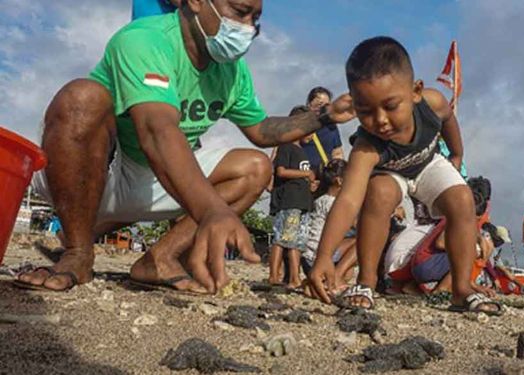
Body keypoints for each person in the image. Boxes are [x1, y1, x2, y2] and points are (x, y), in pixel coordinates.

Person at [17, 0, 354, 293]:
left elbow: (262, 129)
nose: (248, 28)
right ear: (195, 1)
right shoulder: (144, 40)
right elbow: (156, 130)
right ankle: (78, 252)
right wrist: (212, 211)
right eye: (239, 12)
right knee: (82, 97)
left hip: (161, 182)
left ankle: (160, 259)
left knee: (255, 167)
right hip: (97, 175)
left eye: (255, 19)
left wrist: (324, 117)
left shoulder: (233, 72)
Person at [308, 36, 501, 314]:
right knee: (379, 194)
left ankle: (461, 289)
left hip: (426, 163)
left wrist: (457, 154)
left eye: (390, 106)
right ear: (354, 106)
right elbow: (348, 201)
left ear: (416, 91)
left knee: (462, 199)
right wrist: (324, 256)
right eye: (366, 111)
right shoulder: (367, 147)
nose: (381, 120)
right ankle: (366, 282)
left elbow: (448, 120)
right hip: (389, 173)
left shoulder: (432, 102)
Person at [267, 106, 315, 289]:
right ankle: (275, 275)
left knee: (297, 242)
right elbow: (281, 171)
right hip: (289, 201)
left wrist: (309, 181)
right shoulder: (286, 147)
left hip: (302, 202)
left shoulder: (301, 151)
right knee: (283, 239)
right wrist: (305, 174)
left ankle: (295, 277)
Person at [301, 159, 357, 290]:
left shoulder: (320, 200)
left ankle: (319, 281)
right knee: (362, 241)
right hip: (319, 259)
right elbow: (356, 225)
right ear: (340, 181)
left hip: (308, 258)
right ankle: (335, 278)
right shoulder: (336, 205)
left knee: (349, 272)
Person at [300, 87, 345, 174]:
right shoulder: (300, 124)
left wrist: (338, 172)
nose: (324, 109)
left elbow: (337, 152)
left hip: (325, 176)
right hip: (302, 175)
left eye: (327, 105)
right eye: (320, 105)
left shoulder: (332, 127)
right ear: (309, 105)